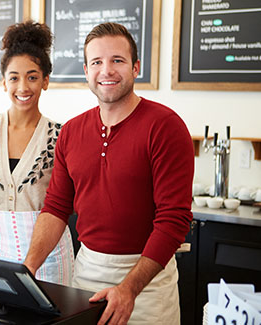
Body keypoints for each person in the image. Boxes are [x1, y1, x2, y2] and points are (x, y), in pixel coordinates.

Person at [23, 22, 194, 324]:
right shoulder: (71, 132)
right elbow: (56, 208)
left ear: (135, 67)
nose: (107, 70)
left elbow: (173, 219)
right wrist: (27, 269)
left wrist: (128, 289)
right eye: (97, 62)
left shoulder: (166, 127)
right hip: (86, 276)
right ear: (86, 71)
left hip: (147, 287)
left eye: (117, 60)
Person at [0, 21, 74, 286]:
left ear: (46, 81)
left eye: (32, 77)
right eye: (14, 77)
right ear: (3, 82)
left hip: (50, 258)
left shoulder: (62, 135)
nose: (23, 87)